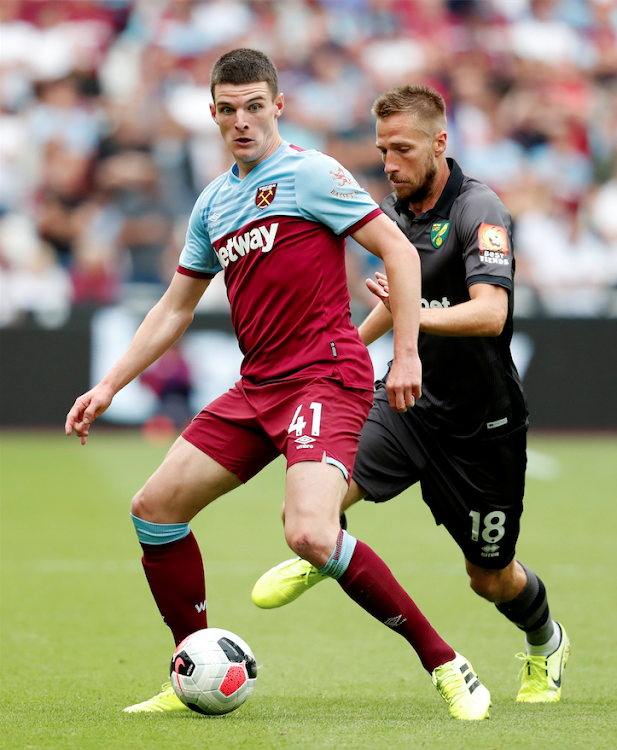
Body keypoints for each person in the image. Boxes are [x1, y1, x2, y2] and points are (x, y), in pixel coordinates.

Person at [65, 50, 491, 720]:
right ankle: (190, 666)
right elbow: (175, 307)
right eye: (228, 109)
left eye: (254, 106)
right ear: (212, 114)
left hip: (325, 374)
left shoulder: (310, 172)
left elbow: (399, 251)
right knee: (155, 511)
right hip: (258, 384)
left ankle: (445, 662)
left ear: (277, 106)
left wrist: (405, 352)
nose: (241, 121)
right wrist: (110, 384)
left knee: (310, 535)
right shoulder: (213, 202)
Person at [252, 84, 570, 705]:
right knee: (311, 497)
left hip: (482, 426)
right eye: (382, 151)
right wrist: (338, 344)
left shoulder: (481, 209)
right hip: (406, 405)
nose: (389, 165)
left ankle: (545, 641)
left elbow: (490, 314)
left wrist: (411, 316)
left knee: (491, 579)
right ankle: (319, 548)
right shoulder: (395, 212)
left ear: (439, 143)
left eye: (402, 150)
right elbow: (390, 307)